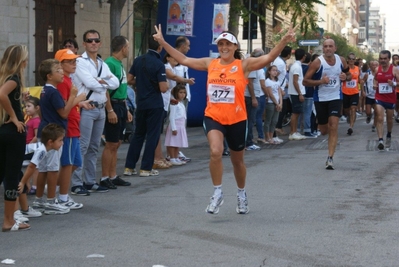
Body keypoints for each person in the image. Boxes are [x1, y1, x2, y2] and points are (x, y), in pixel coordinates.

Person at [153, 24, 297, 214]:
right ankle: (217, 191)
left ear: (235, 46)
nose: (224, 47)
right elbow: (185, 59)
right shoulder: (210, 63)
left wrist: (284, 41)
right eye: (221, 44)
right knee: (215, 151)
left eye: (228, 44)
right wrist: (163, 43)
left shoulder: (243, 66)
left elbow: (268, 58)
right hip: (214, 116)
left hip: (237, 119)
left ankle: (241, 193)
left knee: (238, 162)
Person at [33, 58, 85, 215]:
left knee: (43, 168)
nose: (62, 73)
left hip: (47, 130)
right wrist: (74, 98)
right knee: (53, 168)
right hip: (54, 134)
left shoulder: (45, 90)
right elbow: (63, 112)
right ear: (49, 75)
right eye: (58, 71)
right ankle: (51, 201)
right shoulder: (53, 92)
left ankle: (39, 200)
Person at [71, 29, 119, 194]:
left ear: (100, 43)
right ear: (84, 43)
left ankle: (90, 181)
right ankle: (76, 183)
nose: (93, 43)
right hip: (87, 107)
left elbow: (116, 83)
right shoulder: (80, 62)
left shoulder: (102, 64)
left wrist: (101, 81)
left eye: (96, 40)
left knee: (93, 147)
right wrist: (103, 82)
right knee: (82, 146)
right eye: (90, 40)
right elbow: (90, 83)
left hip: (100, 108)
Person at [123, 34, 168, 177]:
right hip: (155, 103)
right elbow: (163, 88)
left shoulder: (138, 60)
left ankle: (129, 167)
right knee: (152, 135)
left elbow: (129, 79)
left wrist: (141, 83)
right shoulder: (159, 64)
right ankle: (146, 168)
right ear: (160, 47)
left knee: (138, 135)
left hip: (140, 102)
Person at [303, 38, 351, 170]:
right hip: (320, 99)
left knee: (334, 125)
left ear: (335, 48)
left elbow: (349, 75)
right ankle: (324, 128)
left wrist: (345, 77)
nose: (328, 48)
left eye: (330, 46)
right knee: (324, 130)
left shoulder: (341, 60)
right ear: (323, 49)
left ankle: (330, 158)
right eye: (325, 46)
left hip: (336, 97)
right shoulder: (317, 63)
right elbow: (305, 81)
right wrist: (321, 82)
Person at [55, 48, 92, 209]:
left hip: (74, 126)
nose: (74, 64)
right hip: (69, 126)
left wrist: (80, 102)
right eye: (69, 61)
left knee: (75, 162)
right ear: (60, 64)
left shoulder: (68, 80)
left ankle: (56, 190)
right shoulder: (63, 82)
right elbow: (64, 106)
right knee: (68, 163)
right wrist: (79, 98)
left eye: (74, 61)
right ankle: (62, 196)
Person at [0, 44, 31, 232]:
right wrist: (14, 116)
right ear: (21, 61)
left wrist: (19, 101)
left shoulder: (6, 77)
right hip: (13, 131)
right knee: (12, 176)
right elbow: (1, 94)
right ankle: (8, 221)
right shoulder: (13, 79)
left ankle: (9, 219)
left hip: (5, 130)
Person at [100, 36, 132, 189]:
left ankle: (113, 175)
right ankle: (105, 176)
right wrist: (110, 110)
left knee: (117, 143)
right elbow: (104, 89)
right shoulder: (109, 64)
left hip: (120, 105)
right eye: (128, 46)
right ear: (123, 48)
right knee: (111, 143)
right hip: (112, 105)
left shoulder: (119, 64)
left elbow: (122, 88)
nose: (129, 49)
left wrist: (126, 109)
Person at [17, 124, 65, 224]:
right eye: (60, 140)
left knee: (20, 183)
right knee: (16, 185)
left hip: (15, 162)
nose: (62, 143)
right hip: (10, 161)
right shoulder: (41, 150)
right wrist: (23, 182)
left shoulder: (43, 148)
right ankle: (15, 213)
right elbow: (31, 167)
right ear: (50, 142)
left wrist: (25, 181)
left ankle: (24, 210)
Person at [373, 50, 399, 150]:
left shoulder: (395, 70)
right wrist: (374, 84)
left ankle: (389, 133)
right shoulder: (377, 69)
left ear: (389, 59)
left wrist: (394, 84)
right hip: (379, 97)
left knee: (389, 119)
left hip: (391, 98)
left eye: (385, 59)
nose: (382, 61)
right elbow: (375, 79)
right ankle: (380, 139)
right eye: (381, 58)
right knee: (379, 117)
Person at [165, 84, 189, 165]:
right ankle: (172, 158)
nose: (182, 94)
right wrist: (173, 128)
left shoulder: (181, 103)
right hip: (175, 125)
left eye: (184, 93)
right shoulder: (174, 103)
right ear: (176, 93)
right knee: (172, 143)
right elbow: (171, 117)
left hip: (181, 125)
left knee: (177, 143)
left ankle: (176, 157)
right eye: (180, 92)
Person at [244, 49, 263, 150]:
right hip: (250, 96)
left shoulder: (254, 66)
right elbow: (249, 83)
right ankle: (248, 142)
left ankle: (248, 141)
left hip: (251, 96)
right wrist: (253, 98)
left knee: (250, 120)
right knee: (250, 120)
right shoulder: (252, 66)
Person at [288, 48, 307, 140]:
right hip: (296, 93)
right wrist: (300, 93)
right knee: (295, 113)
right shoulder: (296, 67)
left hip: (296, 92)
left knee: (297, 113)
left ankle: (295, 131)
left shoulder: (296, 66)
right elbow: (295, 81)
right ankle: (292, 132)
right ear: (303, 57)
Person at [24, 96, 40, 195]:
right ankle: (28, 185)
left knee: (34, 167)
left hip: (32, 148)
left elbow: (36, 135)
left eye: (29, 106)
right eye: (25, 106)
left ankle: (34, 186)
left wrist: (28, 146)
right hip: (29, 147)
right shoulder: (30, 120)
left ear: (37, 108)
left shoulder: (36, 121)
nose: (26, 108)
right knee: (31, 167)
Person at [342, 53, 361, 136]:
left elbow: (359, 79)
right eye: (350, 59)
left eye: (353, 59)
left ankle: (351, 127)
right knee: (346, 110)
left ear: (355, 60)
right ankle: (348, 116)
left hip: (355, 92)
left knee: (353, 109)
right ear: (347, 60)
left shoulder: (357, 68)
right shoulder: (344, 69)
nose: (351, 60)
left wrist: (362, 86)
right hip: (345, 92)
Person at [274, 46, 292, 136]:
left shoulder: (280, 61)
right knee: (282, 108)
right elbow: (275, 75)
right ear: (288, 55)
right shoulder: (280, 63)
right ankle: (277, 127)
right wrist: (279, 89)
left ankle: (278, 127)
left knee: (284, 108)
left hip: (281, 88)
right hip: (278, 89)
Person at [264, 65, 282, 143]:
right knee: (268, 120)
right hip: (271, 103)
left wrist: (280, 103)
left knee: (274, 120)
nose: (275, 72)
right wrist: (276, 103)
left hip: (277, 102)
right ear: (269, 72)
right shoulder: (267, 81)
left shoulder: (277, 81)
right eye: (273, 70)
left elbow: (279, 93)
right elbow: (270, 94)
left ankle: (271, 136)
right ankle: (267, 137)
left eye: (276, 70)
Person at [363, 61, 378, 131]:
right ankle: (369, 115)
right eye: (373, 65)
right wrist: (363, 91)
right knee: (368, 112)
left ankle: (374, 125)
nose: (374, 66)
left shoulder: (379, 74)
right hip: (369, 95)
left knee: (376, 112)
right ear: (370, 66)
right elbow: (362, 82)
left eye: (376, 65)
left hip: (377, 96)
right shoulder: (367, 74)